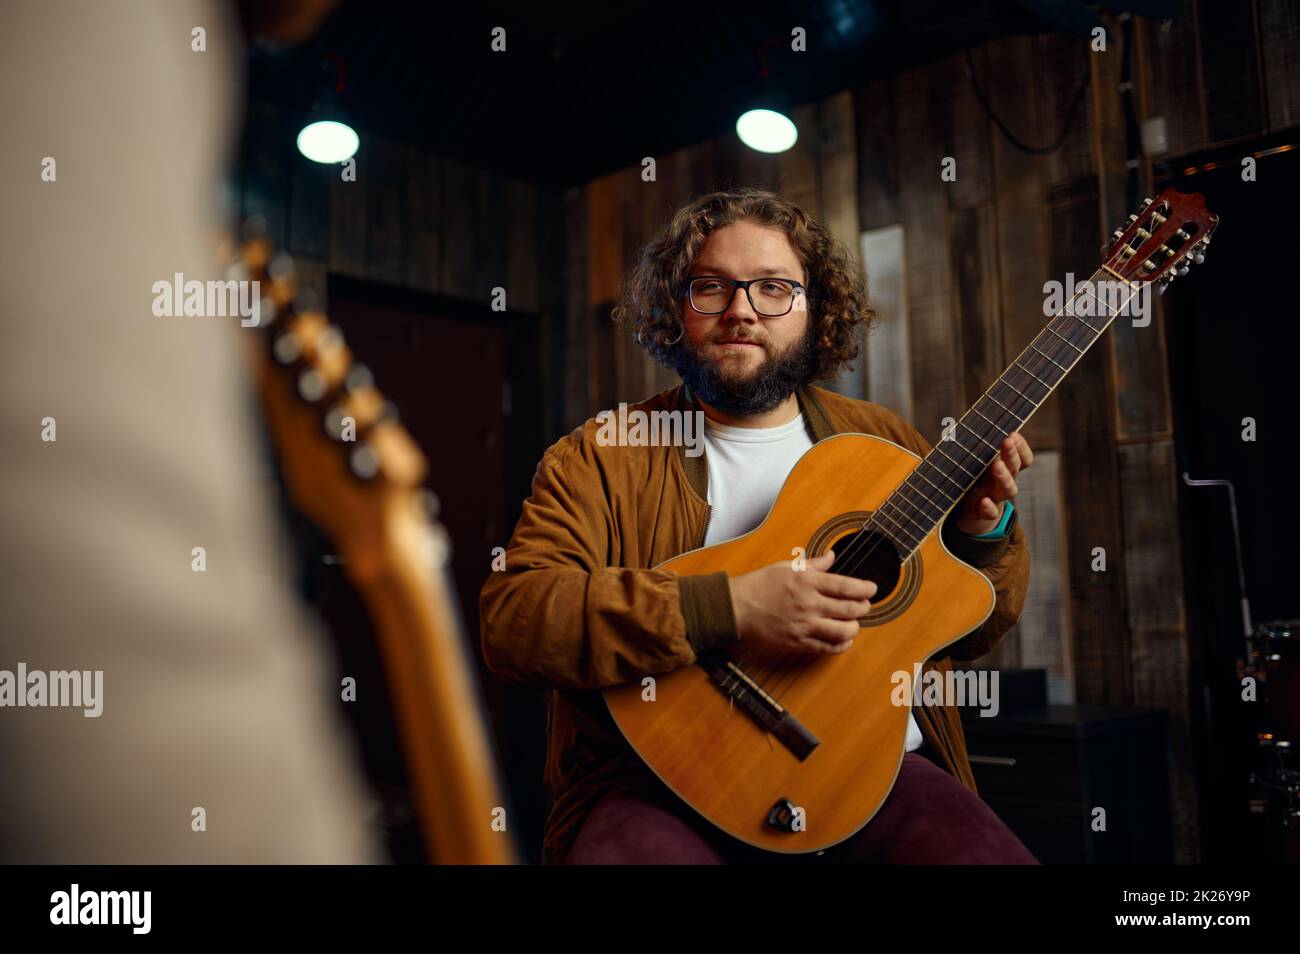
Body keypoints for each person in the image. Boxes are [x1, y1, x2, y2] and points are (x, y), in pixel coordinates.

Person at [480, 188, 1037, 864]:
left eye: (773, 288)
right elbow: (515, 621)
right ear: (674, 308)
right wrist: (731, 607)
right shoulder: (602, 453)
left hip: (873, 773)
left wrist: (981, 531)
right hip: (653, 778)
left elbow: (975, 626)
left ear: (815, 308)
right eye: (710, 287)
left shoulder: (885, 443)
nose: (742, 310)